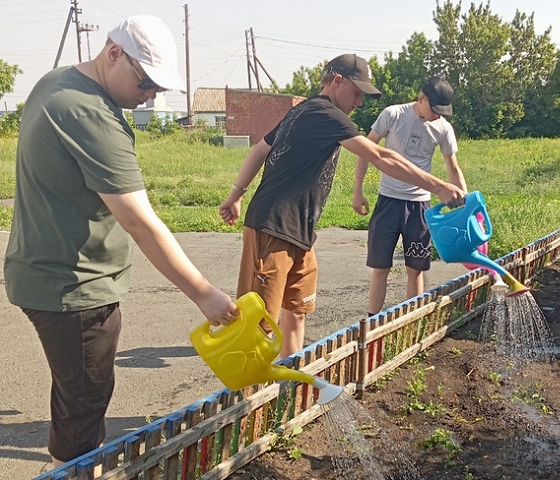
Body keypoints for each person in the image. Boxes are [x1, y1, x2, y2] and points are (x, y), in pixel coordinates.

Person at [3, 15, 240, 468]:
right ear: (114, 54)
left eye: (159, 88)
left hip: (42, 273)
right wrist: (205, 293)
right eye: (147, 81)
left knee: (74, 393)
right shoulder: (88, 113)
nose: (152, 94)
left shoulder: (56, 84)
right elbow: (141, 222)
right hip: (75, 289)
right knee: (84, 416)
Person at [218, 54, 466, 358]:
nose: (360, 101)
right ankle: (250, 399)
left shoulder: (304, 111)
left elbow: (261, 150)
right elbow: (381, 157)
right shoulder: (323, 113)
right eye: (357, 92)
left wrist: (236, 194)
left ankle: (289, 387)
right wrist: (437, 186)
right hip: (272, 226)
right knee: (259, 323)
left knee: (296, 313)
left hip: (300, 232)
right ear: (338, 81)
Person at [352, 77, 467, 317]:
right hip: (388, 203)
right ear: (421, 98)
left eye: (443, 112)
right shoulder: (393, 115)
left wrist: (464, 203)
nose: (438, 116)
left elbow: (453, 169)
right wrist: (358, 189)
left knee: (415, 268)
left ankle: (411, 322)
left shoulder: (443, 128)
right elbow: (365, 150)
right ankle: (372, 322)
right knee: (380, 267)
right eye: (435, 110)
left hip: (419, 209)